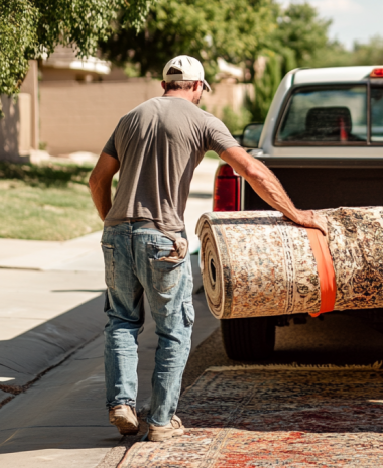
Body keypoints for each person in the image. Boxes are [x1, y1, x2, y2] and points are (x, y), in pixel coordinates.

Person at [89, 55, 327, 442]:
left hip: (117, 235)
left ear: (165, 83)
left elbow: (97, 180)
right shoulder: (202, 121)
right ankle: (162, 421)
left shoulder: (131, 117)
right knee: (175, 330)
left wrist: (111, 226)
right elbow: (250, 169)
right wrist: (294, 212)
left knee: (121, 322)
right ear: (198, 87)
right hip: (162, 236)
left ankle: (121, 404)